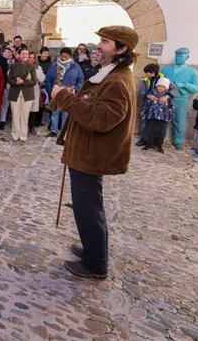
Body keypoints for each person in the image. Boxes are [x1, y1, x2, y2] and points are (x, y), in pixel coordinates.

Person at [50, 25, 138, 280]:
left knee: (89, 208)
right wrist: (78, 98)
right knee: (87, 207)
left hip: (92, 154)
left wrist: (65, 100)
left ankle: (96, 263)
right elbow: (96, 107)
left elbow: (102, 119)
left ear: (121, 49)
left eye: (106, 42)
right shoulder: (111, 74)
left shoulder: (117, 80)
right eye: (100, 40)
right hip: (87, 151)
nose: (98, 46)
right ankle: (92, 249)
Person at [161, 47, 198, 149]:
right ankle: (158, 139)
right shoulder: (166, 69)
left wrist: (185, 84)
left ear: (187, 57)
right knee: (161, 118)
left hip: (181, 99)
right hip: (166, 98)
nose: (178, 58)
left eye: (180, 56)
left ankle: (179, 141)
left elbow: (196, 88)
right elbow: (159, 82)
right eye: (177, 55)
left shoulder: (192, 72)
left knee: (180, 121)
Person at [45, 47, 84, 138]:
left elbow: (80, 79)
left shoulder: (75, 66)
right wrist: (50, 91)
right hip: (57, 93)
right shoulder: (54, 65)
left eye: (66, 57)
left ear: (70, 56)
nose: (63, 58)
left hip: (69, 94)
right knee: (55, 113)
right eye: (62, 56)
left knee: (66, 114)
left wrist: (76, 89)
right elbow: (48, 79)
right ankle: (53, 131)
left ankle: (64, 131)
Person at [135, 62, 176, 146]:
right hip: (148, 104)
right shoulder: (145, 80)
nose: (146, 74)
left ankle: (155, 142)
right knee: (144, 121)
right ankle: (143, 139)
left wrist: (167, 96)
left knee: (158, 125)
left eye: (148, 72)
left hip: (161, 106)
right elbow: (141, 91)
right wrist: (148, 96)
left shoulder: (163, 79)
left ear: (153, 72)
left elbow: (174, 89)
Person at [7, 48, 37, 142]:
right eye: (23, 54)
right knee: (15, 114)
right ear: (19, 55)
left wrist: (23, 82)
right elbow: (9, 79)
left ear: (28, 56)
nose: (24, 56)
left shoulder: (31, 67)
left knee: (25, 115)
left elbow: (34, 81)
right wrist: (16, 82)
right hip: (15, 93)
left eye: (26, 54)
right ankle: (15, 133)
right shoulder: (13, 65)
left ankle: (23, 134)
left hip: (27, 94)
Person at [140, 77, 175, 153]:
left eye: (163, 87)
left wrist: (171, 117)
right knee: (150, 131)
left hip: (164, 118)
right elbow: (146, 105)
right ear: (156, 86)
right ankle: (149, 144)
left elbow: (171, 107)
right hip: (152, 117)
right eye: (159, 86)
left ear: (166, 88)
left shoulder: (167, 97)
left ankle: (159, 145)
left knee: (162, 132)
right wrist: (143, 114)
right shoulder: (151, 95)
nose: (160, 88)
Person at [27, 52, 46, 136]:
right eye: (29, 57)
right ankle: (24, 127)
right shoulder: (22, 66)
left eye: (33, 57)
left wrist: (33, 69)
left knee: (33, 110)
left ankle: (31, 127)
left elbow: (42, 79)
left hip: (35, 90)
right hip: (25, 90)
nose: (31, 59)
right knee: (25, 110)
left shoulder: (38, 68)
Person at [0, 46, 15, 130]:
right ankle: (2, 121)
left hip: (14, 86)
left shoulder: (14, 63)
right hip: (5, 86)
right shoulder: (0, 61)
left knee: (13, 105)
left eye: (10, 52)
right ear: (3, 52)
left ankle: (14, 122)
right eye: (7, 52)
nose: (8, 54)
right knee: (5, 104)